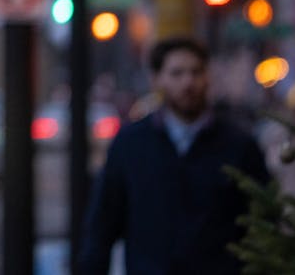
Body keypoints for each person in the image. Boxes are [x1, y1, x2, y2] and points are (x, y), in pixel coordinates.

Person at [78, 36, 270, 275]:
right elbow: (103, 224)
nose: (188, 82)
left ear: (207, 77)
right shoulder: (131, 144)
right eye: (177, 73)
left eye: (195, 72)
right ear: (157, 79)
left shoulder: (238, 144)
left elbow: (263, 218)